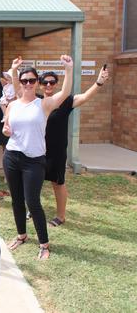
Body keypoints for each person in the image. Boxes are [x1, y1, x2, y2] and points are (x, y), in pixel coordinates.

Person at [2, 55, 73, 260]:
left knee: (32, 201)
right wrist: (6, 130)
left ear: (37, 83)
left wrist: (68, 69)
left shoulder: (44, 104)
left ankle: (44, 244)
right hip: (12, 156)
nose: (28, 84)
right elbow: (6, 128)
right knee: (16, 200)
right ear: (20, 83)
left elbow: (65, 92)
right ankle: (21, 235)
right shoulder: (13, 105)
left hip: (34, 160)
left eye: (32, 80)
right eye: (24, 80)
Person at [42, 66, 109, 227]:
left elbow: (85, 97)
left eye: (52, 82)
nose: (49, 85)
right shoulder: (37, 101)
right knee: (34, 181)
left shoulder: (65, 101)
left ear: (57, 84)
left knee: (57, 183)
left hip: (56, 151)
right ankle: (34, 209)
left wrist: (98, 83)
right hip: (37, 149)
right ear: (40, 85)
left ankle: (61, 216)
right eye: (45, 82)